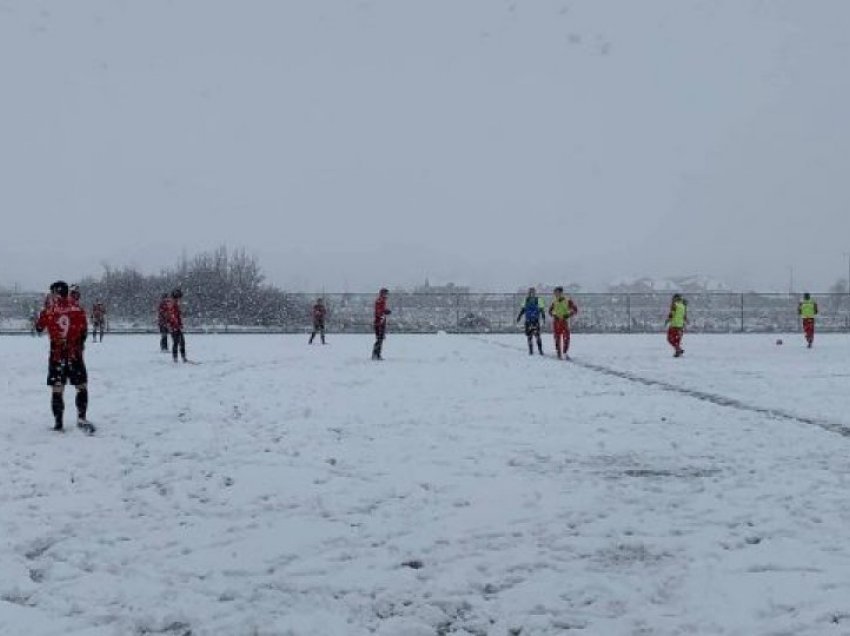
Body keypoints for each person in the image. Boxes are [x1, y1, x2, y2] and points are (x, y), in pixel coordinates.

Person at [35, 281, 94, 433]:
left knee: (57, 389)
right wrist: (77, 345)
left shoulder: (49, 310)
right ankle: (81, 417)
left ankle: (58, 422)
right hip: (74, 355)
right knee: (81, 387)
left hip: (57, 356)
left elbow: (39, 328)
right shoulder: (77, 309)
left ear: (55, 292)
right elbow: (84, 331)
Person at [548, 287, 579, 360]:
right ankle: (559, 353)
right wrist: (554, 315)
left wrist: (567, 315)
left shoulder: (567, 301)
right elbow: (550, 311)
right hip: (556, 322)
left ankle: (565, 352)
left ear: (561, 293)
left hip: (564, 322)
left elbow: (575, 310)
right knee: (557, 338)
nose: (556, 294)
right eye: (555, 293)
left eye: (558, 292)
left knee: (566, 337)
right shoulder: (554, 302)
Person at [516, 287, 546, 355]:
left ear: (535, 293)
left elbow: (542, 310)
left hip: (535, 320)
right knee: (529, 336)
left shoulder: (538, 300)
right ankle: (531, 350)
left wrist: (543, 317)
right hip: (528, 320)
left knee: (537, 335)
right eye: (530, 292)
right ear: (529, 293)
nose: (532, 293)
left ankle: (540, 350)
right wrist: (519, 317)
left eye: (533, 292)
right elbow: (523, 309)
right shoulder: (526, 300)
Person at [165, 289, 187, 362]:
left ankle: (181, 358)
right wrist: (177, 325)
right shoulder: (172, 304)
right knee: (177, 342)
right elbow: (173, 316)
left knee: (180, 342)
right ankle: (177, 358)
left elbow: (177, 315)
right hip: (174, 326)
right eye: (179, 297)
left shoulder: (174, 303)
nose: (180, 299)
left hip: (175, 326)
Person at [665, 293, 688, 357]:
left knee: (670, 339)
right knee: (677, 340)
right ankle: (678, 351)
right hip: (681, 326)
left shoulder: (674, 305)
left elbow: (672, 314)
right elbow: (684, 315)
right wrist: (685, 321)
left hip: (674, 325)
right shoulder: (683, 305)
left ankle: (678, 349)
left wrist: (667, 320)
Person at [371, 288, 391, 360]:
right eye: (386, 293)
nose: (387, 295)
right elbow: (378, 311)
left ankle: (377, 354)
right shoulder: (380, 301)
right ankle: (376, 354)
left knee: (380, 339)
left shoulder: (382, 301)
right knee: (379, 339)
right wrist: (385, 312)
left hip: (381, 321)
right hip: (379, 322)